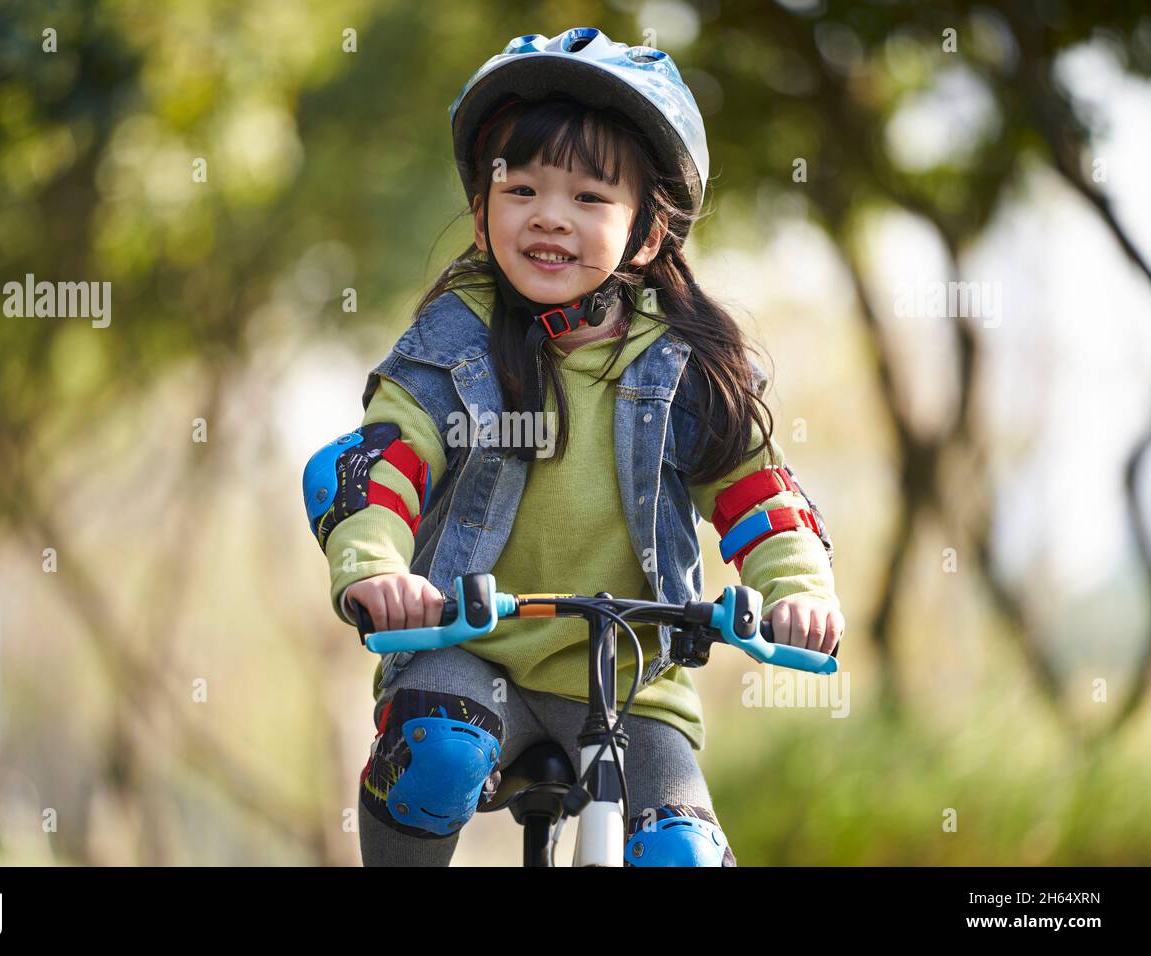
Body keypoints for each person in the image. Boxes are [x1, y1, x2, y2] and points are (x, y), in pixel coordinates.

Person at [302, 27, 843, 866]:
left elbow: (756, 492)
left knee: (679, 855)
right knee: (435, 753)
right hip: (466, 653)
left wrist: (797, 593)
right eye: (521, 188)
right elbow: (379, 465)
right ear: (483, 215)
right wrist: (377, 570)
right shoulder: (456, 341)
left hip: (630, 685)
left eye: (590, 198)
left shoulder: (685, 366)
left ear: (649, 235)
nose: (550, 215)